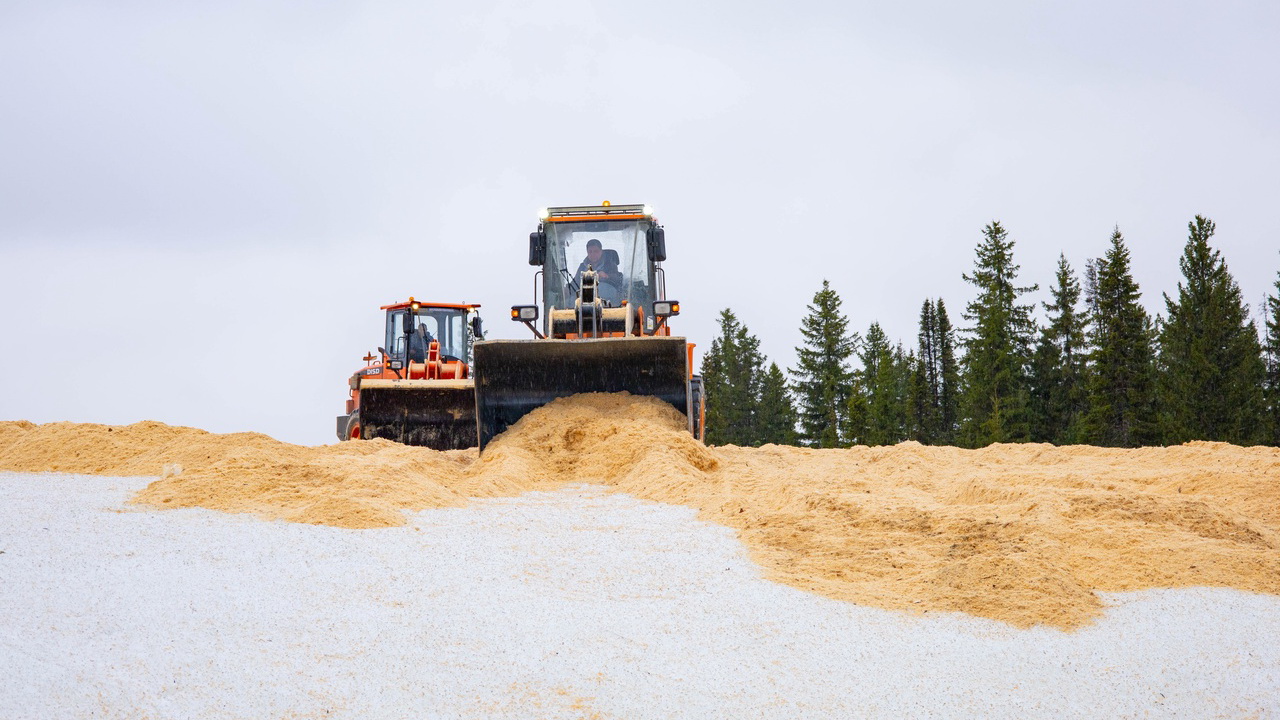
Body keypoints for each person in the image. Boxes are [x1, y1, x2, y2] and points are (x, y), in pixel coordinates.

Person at [575, 238, 623, 304]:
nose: (593, 254)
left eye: (596, 251)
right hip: (586, 300)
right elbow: (575, 282)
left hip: (608, 300)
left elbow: (618, 278)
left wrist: (607, 276)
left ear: (601, 252)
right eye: (590, 252)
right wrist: (567, 289)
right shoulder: (582, 266)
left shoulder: (610, 264)